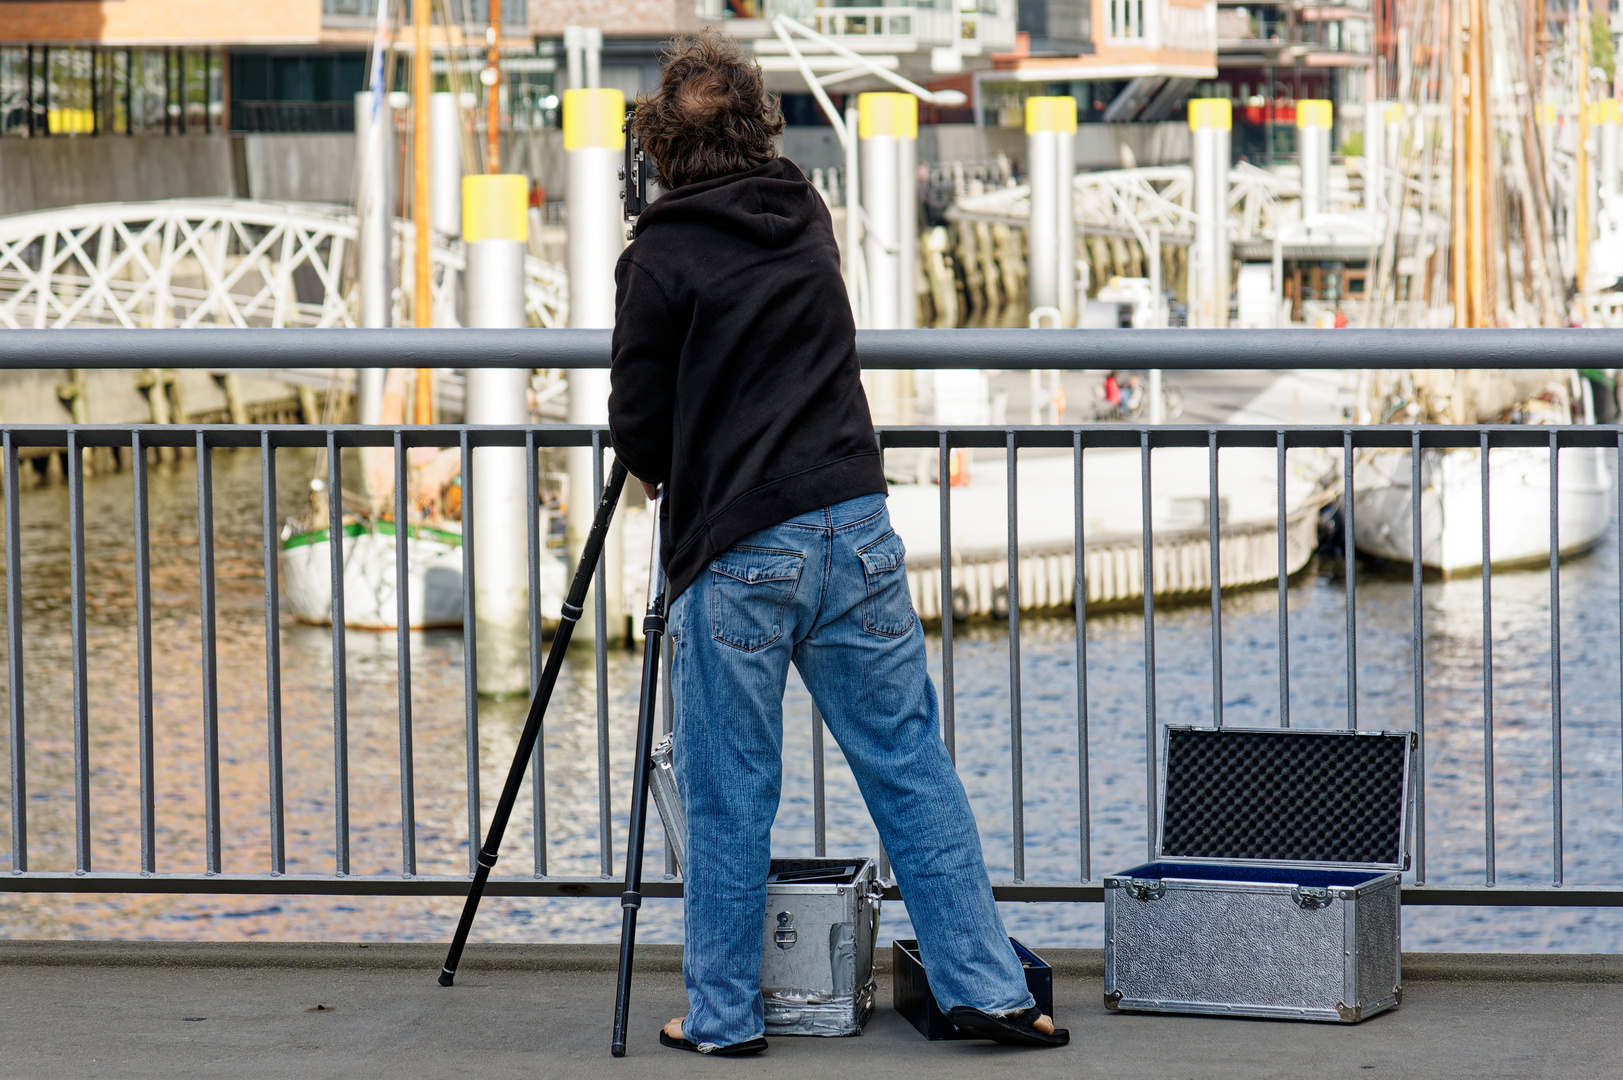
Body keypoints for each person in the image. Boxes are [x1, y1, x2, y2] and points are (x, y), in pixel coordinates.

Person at [608, 30, 1067, 1057]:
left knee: (731, 799)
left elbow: (640, 437)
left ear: (657, 151)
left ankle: (725, 1016)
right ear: (760, 124)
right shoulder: (803, 213)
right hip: (854, 527)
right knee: (909, 766)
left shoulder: (661, 256)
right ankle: (989, 993)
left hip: (739, 549)